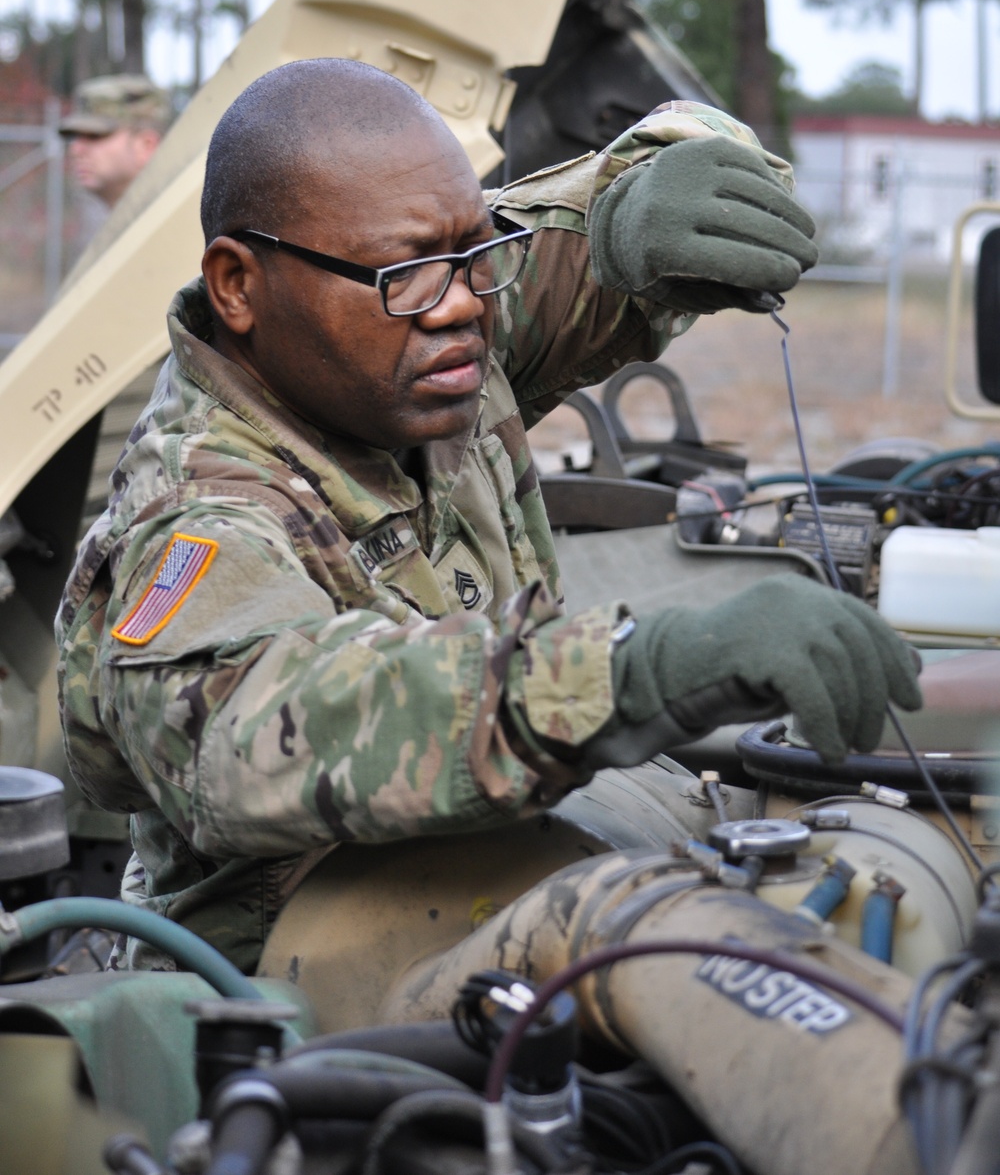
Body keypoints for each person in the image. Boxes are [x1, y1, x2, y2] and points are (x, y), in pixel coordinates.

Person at [56, 58, 921, 970]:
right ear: (239, 286)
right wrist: (632, 671)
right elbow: (255, 733)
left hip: (513, 880)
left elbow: (681, 165)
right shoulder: (200, 511)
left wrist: (640, 210)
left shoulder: (416, 315)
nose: (464, 302)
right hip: (301, 1006)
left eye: (472, 256)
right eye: (412, 271)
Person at [59, 74, 171, 209]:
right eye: (75, 136)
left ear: (146, 146)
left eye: (94, 136)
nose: (75, 150)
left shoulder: (178, 218)